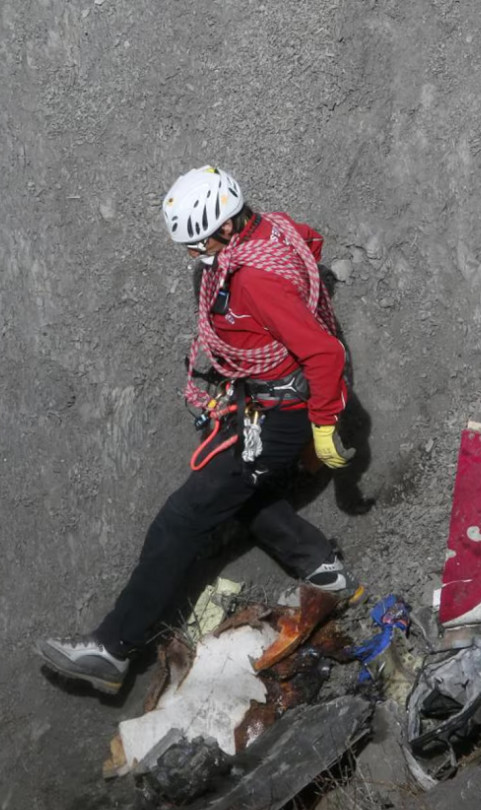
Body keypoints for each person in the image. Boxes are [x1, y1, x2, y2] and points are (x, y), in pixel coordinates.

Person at [36, 166, 355, 695]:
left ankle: (112, 651)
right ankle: (322, 567)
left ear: (226, 228)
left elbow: (324, 353)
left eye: (196, 244)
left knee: (179, 522)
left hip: (279, 414)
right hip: (269, 401)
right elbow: (309, 240)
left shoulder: (253, 280)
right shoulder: (270, 230)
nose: (192, 257)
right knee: (236, 494)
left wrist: (323, 426)